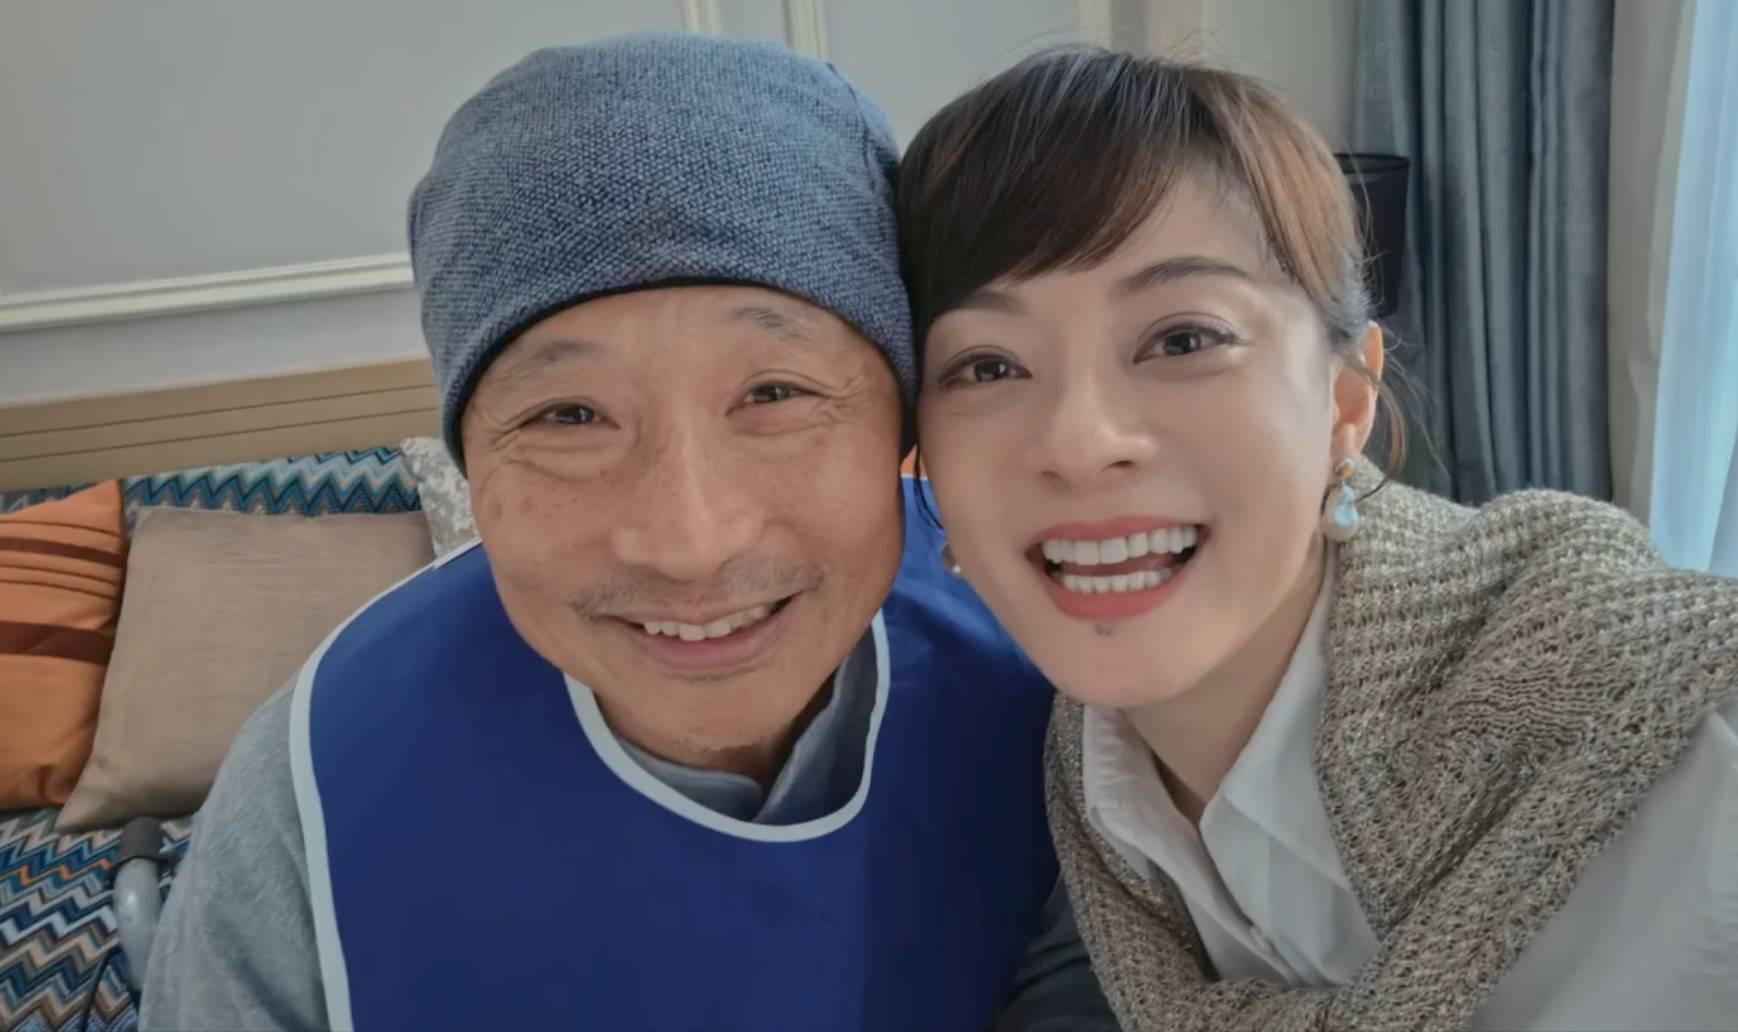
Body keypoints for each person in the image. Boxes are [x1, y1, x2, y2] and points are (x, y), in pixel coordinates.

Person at [142, 34, 1114, 1031]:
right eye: (567, 416)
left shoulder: (1049, 684)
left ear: (902, 427)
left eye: (775, 394)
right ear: (472, 464)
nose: (691, 542)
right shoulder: (317, 792)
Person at [897, 45, 1738, 1031]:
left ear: (1345, 401)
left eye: (1182, 339)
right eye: (986, 366)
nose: (1080, 443)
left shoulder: (1720, 758)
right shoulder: (1084, 783)